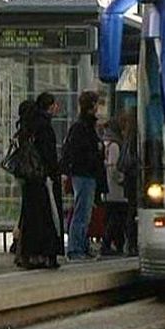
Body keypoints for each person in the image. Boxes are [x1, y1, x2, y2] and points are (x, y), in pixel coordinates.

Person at [61, 91, 107, 261]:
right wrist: (97, 151)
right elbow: (81, 151)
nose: (98, 108)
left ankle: (82, 245)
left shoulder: (85, 126)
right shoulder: (82, 128)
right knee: (81, 212)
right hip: (84, 174)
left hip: (86, 173)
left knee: (85, 213)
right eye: (96, 104)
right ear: (91, 106)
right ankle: (75, 249)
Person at [18, 93, 62, 269]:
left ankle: (30, 254)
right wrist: (55, 172)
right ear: (50, 106)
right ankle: (46, 254)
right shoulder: (45, 127)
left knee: (30, 216)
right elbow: (49, 154)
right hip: (42, 177)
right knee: (46, 215)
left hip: (28, 177)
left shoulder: (27, 127)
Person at [101, 118, 127, 256]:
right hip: (116, 188)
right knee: (117, 217)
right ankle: (110, 244)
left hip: (108, 187)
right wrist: (121, 179)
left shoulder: (106, 143)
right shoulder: (115, 145)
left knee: (111, 216)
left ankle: (114, 244)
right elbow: (114, 167)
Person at [120, 110, 139, 256]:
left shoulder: (126, 137)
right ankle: (132, 244)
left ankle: (131, 244)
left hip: (129, 178)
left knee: (131, 211)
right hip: (135, 177)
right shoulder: (136, 138)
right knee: (133, 211)